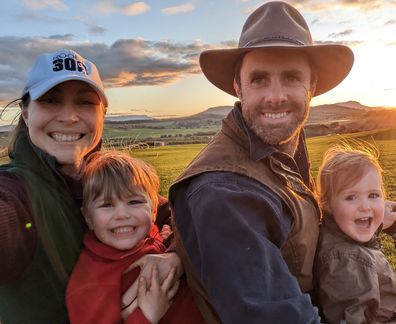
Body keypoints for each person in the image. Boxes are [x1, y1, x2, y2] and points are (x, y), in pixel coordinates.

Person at [169, 1, 354, 323]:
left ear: (311, 87)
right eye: (259, 80)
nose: (275, 96)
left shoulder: (284, 143)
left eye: (292, 78)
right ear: (238, 87)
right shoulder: (224, 192)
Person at [0, 49, 180, 323]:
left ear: (102, 115)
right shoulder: (15, 194)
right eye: (50, 100)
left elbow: (183, 215)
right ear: (25, 114)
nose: (69, 117)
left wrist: (177, 258)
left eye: (84, 102)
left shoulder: (111, 181)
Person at [66, 150, 204, 323]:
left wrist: (167, 241)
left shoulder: (152, 237)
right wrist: (146, 316)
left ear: (154, 210)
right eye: (107, 205)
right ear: (88, 218)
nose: (122, 214)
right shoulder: (90, 283)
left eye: (134, 202)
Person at [315, 144, 396, 323]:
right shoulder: (346, 261)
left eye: (373, 195)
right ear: (327, 204)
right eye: (351, 197)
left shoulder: (347, 237)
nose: (365, 206)